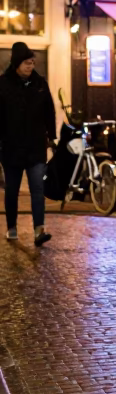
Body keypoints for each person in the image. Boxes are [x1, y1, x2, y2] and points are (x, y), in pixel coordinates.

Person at [0, 42, 56, 246]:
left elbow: (49, 111)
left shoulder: (40, 84)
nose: (30, 66)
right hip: (11, 147)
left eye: (32, 62)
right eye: (26, 63)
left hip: (35, 146)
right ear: (16, 63)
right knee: (12, 190)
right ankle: (11, 227)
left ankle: (39, 229)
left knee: (37, 188)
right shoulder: (3, 84)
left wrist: (52, 136)